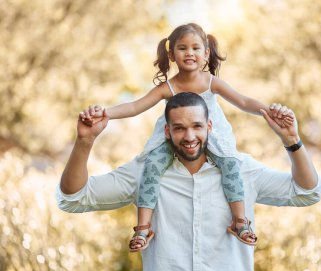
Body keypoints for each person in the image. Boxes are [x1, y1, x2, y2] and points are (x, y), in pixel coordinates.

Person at [79, 23, 294, 251]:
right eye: (182, 48)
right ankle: (143, 228)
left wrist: (268, 111)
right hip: (174, 137)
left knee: (230, 165)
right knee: (152, 166)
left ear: (206, 53)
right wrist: (106, 114)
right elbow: (135, 106)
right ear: (172, 54)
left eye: (195, 48)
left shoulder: (211, 82)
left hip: (210, 135)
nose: (189, 53)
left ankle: (240, 222)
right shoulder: (168, 87)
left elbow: (243, 101)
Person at [57, 92, 321, 271]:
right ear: (167, 131)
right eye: (180, 128)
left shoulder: (241, 171)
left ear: (209, 126)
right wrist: (85, 142)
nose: (189, 136)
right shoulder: (144, 172)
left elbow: (307, 192)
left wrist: (292, 140)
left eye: (196, 126)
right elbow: (73, 197)